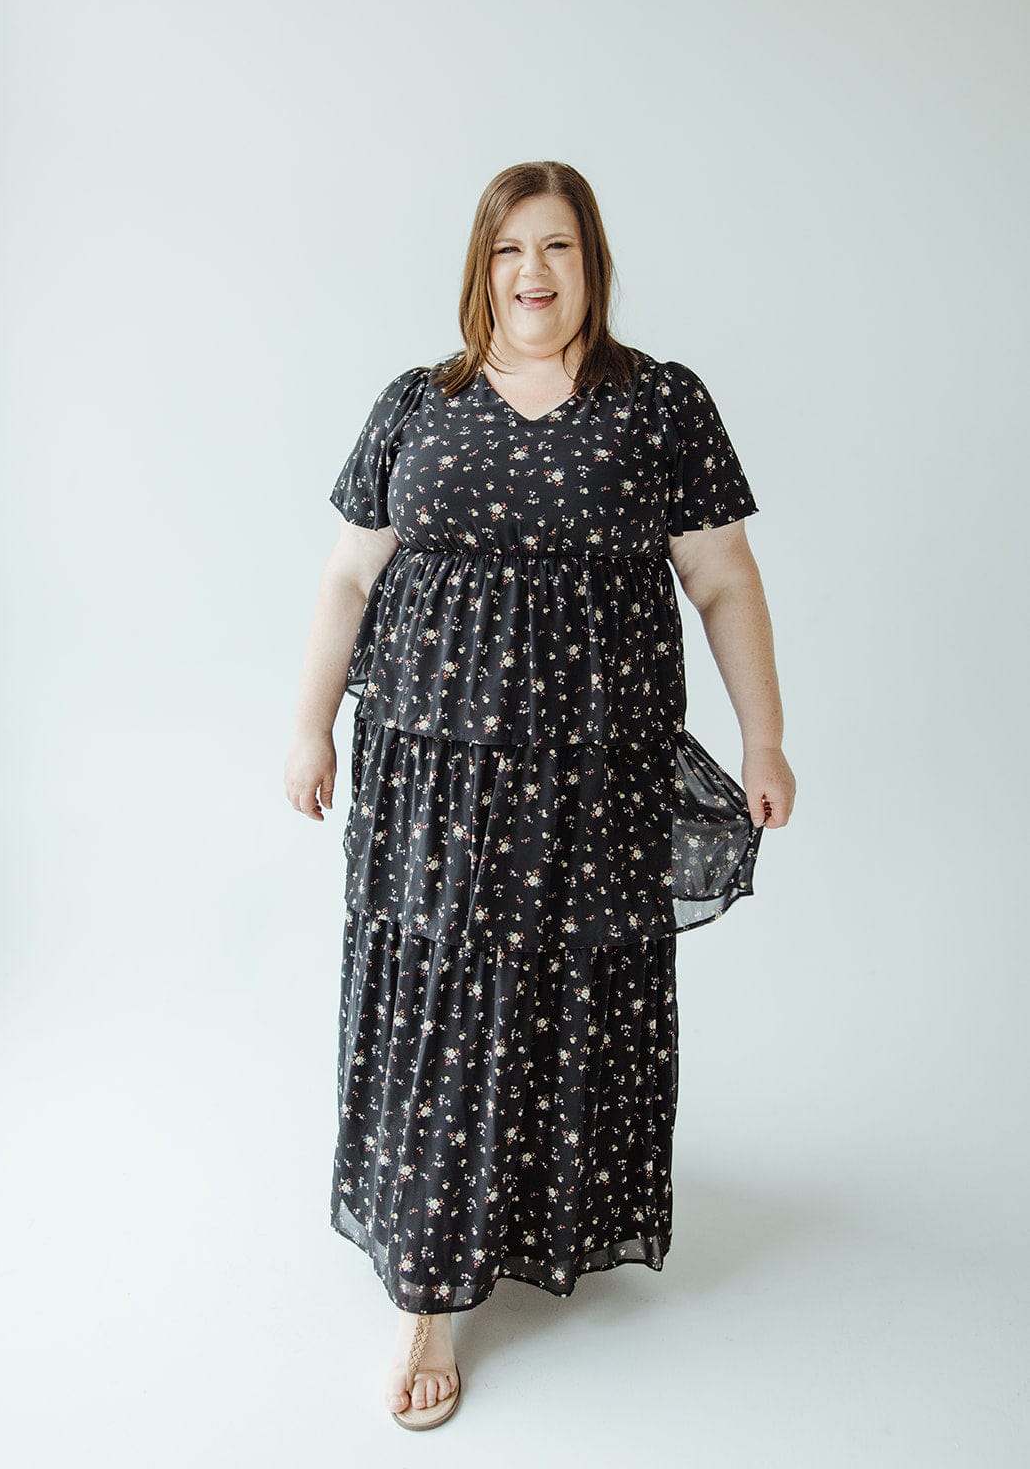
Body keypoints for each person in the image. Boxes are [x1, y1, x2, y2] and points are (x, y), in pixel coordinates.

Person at [284, 160, 795, 1430]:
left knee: (563, 990)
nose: (532, 273)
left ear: (590, 264)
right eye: (510, 248)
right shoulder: (420, 401)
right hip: (432, 772)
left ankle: (523, 1214)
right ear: (480, 264)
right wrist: (306, 725)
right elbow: (349, 579)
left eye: (556, 247)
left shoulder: (658, 405)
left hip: (586, 772)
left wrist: (766, 738)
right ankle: (431, 1294)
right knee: (446, 994)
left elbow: (722, 581)